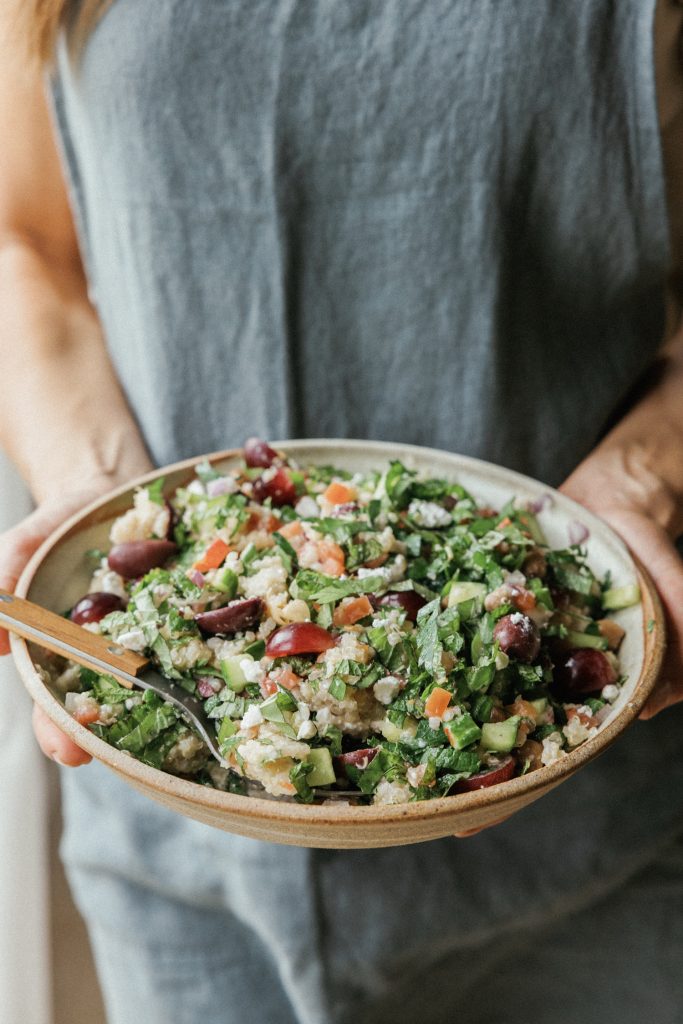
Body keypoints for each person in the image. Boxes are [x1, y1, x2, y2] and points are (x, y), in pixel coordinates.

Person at [1, 1, 683, 1021]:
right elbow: (28, 250)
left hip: (590, 848)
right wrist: (94, 493)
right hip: (181, 875)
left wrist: (639, 481)